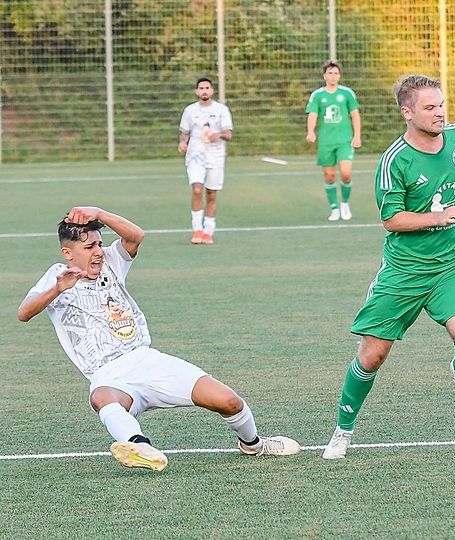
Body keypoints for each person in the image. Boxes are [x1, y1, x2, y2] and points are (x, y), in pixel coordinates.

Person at [17, 207, 300, 471]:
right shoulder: (56, 276)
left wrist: (99, 212)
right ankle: (140, 447)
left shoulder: (112, 263)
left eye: (99, 244)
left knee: (229, 401)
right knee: (101, 397)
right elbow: (24, 313)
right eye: (89, 247)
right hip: (108, 375)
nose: (98, 252)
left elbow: (135, 236)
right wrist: (57, 289)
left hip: (147, 360)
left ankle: (254, 445)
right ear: (68, 252)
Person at [320, 74, 455, 459]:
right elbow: (391, 220)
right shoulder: (395, 161)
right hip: (404, 270)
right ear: (407, 113)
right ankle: (343, 430)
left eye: (441, 104)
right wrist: (437, 218)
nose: (439, 112)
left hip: (451, 262)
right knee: (372, 354)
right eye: (429, 107)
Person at [178, 77, 233, 244]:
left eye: (207, 88)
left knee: (211, 193)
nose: (204, 90)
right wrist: (182, 142)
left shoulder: (221, 110)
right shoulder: (190, 111)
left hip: (215, 157)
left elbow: (229, 134)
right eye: (201, 88)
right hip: (195, 156)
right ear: (197, 91)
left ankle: (209, 230)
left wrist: (219, 135)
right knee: (196, 190)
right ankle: (197, 229)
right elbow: (185, 132)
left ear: (212, 90)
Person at [305, 61, 361, 221]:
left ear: (340, 75)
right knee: (329, 176)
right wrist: (310, 131)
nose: (333, 76)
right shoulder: (318, 95)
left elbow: (355, 115)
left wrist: (357, 136)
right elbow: (313, 114)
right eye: (330, 73)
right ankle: (334, 208)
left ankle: (344, 203)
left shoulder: (347, 93)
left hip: (345, 140)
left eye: (336, 73)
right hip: (326, 142)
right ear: (324, 76)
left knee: (346, 173)